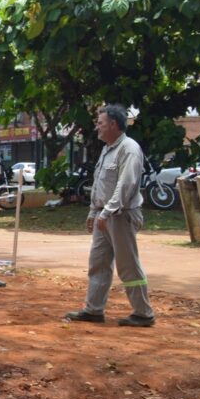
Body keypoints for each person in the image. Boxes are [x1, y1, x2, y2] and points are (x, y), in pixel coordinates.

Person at [65, 104, 154, 327]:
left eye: (100, 123)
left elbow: (126, 185)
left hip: (121, 216)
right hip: (103, 216)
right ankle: (93, 310)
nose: (97, 127)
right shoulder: (107, 149)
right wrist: (93, 212)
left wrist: (106, 212)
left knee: (128, 265)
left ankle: (143, 313)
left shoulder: (129, 149)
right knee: (98, 263)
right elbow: (100, 184)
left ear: (113, 124)